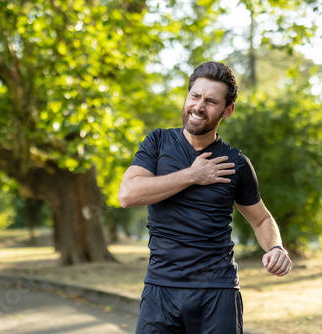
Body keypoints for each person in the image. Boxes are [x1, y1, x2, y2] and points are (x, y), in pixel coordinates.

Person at [119, 61, 292, 334]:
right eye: (195, 96)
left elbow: (261, 219)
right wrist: (192, 175)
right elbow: (128, 194)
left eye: (211, 101)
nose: (199, 106)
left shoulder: (237, 163)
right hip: (160, 289)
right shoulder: (158, 142)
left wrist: (276, 248)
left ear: (228, 110)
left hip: (217, 291)